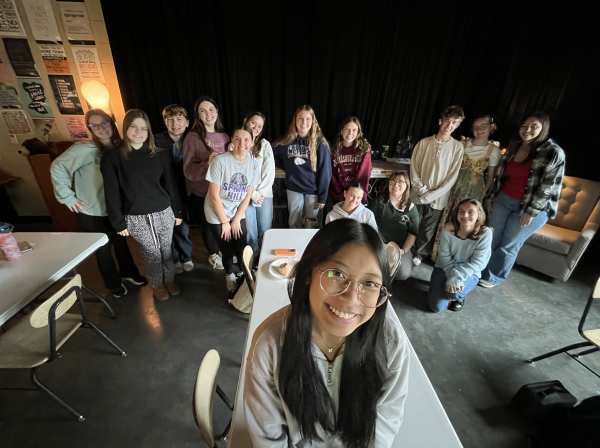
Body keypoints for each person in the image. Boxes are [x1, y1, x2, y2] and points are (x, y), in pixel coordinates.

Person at [244, 219, 409, 447]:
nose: (351, 298)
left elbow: (384, 423)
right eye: (337, 273)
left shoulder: (390, 343)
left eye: (369, 283)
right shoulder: (270, 346)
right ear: (308, 273)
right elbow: (268, 438)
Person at [51, 109, 146, 297]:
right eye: (95, 125)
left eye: (105, 123)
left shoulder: (122, 146)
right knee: (103, 250)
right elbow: (57, 167)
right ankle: (113, 284)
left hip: (115, 210)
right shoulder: (84, 149)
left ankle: (129, 273)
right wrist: (68, 197)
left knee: (122, 245)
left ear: (112, 123)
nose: (101, 128)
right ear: (90, 129)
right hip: (92, 212)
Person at [101, 109, 183, 302]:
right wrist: (118, 222)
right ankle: (157, 284)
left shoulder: (159, 155)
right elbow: (111, 192)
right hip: (136, 215)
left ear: (149, 132)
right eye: (134, 127)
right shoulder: (113, 157)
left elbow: (171, 185)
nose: (139, 132)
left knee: (165, 250)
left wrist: (178, 211)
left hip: (164, 211)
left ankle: (169, 280)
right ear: (125, 128)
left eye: (144, 128)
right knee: (150, 252)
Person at [479, 112, 565, 288]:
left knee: (508, 244)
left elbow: (548, 187)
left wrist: (530, 211)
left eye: (534, 126)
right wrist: (491, 198)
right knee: (492, 237)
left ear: (543, 129)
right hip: (503, 200)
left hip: (530, 208)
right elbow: (501, 177)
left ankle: (494, 277)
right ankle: (480, 270)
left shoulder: (553, 152)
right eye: (525, 126)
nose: (527, 130)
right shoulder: (514, 147)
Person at [431, 114, 502, 261]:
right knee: (448, 217)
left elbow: (490, 177)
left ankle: (458, 257)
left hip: (474, 190)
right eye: (476, 127)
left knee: (466, 221)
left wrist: (481, 192)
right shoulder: (462, 143)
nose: (479, 130)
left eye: (483, 126)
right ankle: (440, 254)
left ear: (491, 128)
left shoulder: (493, 151)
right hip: (454, 185)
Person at [204, 125, 260, 291]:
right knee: (226, 245)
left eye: (246, 139)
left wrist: (235, 220)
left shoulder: (253, 165)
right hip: (216, 211)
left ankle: (242, 273)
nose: (242, 143)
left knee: (241, 244)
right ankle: (229, 274)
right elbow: (214, 196)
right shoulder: (220, 161)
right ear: (232, 141)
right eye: (237, 138)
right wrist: (225, 222)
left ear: (252, 142)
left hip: (236, 210)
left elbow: (247, 196)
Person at [410, 105, 465, 266]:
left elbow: (451, 177)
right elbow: (414, 169)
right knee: (413, 223)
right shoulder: (424, 143)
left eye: (455, 123)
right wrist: (423, 191)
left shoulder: (457, 148)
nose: (449, 126)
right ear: (441, 121)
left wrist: (431, 195)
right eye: (447, 121)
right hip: (418, 194)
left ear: (458, 125)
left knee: (428, 228)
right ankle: (406, 249)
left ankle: (419, 253)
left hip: (438, 198)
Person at [183, 96, 230, 270]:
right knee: (209, 226)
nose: (208, 113)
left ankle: (225, 252)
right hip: (202, 191)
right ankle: (212, 254)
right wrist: (206, 163)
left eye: (211, 109)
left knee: (222, 223)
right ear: (198, 115)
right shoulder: (193, 137)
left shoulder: (225, 135)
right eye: (203, 110)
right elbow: (187, 169)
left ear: (217, 112)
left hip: (222, 192)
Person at [272, 105, 332, 229]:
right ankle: (294, 247)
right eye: (300, 118)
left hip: (313, 191)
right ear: (295, 120)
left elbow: (325, 172)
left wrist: (322, 196)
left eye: (308, 119)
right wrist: (286, 165)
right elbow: (270, 151)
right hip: (293, 189)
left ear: (313, 121)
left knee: (311, 224)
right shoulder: (287, 140)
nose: (304, 122)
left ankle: (309, 248)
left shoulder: (320, 143)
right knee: (294, 222)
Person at [428, 199, 492, 312]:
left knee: (454, 294)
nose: (465, 215)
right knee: (436, 307)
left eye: (470, 212)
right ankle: (443, 290)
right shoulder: (448, 228)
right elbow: (444, 256)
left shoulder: (485, 233)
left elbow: (478, 263)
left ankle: (460, 297)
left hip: (469, 272)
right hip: (445, 267)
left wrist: (457, 277)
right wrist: (452, 275)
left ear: (479, 215)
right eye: (461, 211)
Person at [154, 104, 194, 275]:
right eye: (170, 120)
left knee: (182, 226)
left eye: (179, 119)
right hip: (162, 191)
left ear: (186, 122)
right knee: (166, 227)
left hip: (184, 190)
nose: (175, 123)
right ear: (165, 122)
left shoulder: (191, 139)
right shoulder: (155, 140)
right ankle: (174, 259)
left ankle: (186, 257)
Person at [368, 171, 420, 281]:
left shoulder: (411, 209)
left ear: (407, 186)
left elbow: (412, 233)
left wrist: (403, 251)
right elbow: (368, 225)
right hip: (379, 244)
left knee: (404, 274)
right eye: (393, 181)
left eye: (401, 182)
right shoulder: (378, 202)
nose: (396, 185)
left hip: (399, 247)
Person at [242, 111, 275, 260]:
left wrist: (259, 193)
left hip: (264, 195)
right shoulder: (236, 144)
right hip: (245, 196)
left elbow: (269, 172)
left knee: (265, 229)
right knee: (250, 232)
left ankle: (264, 257)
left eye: (260, 126)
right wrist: (252, 194)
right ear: (246, 121)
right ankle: (254, 259)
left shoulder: (265, 145)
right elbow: (238, 174)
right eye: (253, 123)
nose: (256, 127)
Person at [329, 116, 372, 204]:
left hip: (357, 196)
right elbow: (332, 175)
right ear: (341, 130)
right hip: (340, 195)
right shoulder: (334, 150)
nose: (350, 133)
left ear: (358, 132)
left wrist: (358, 194)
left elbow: (364, 174)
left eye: (354, 130)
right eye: (347, 129)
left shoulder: (364, 149)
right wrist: (339, 194)